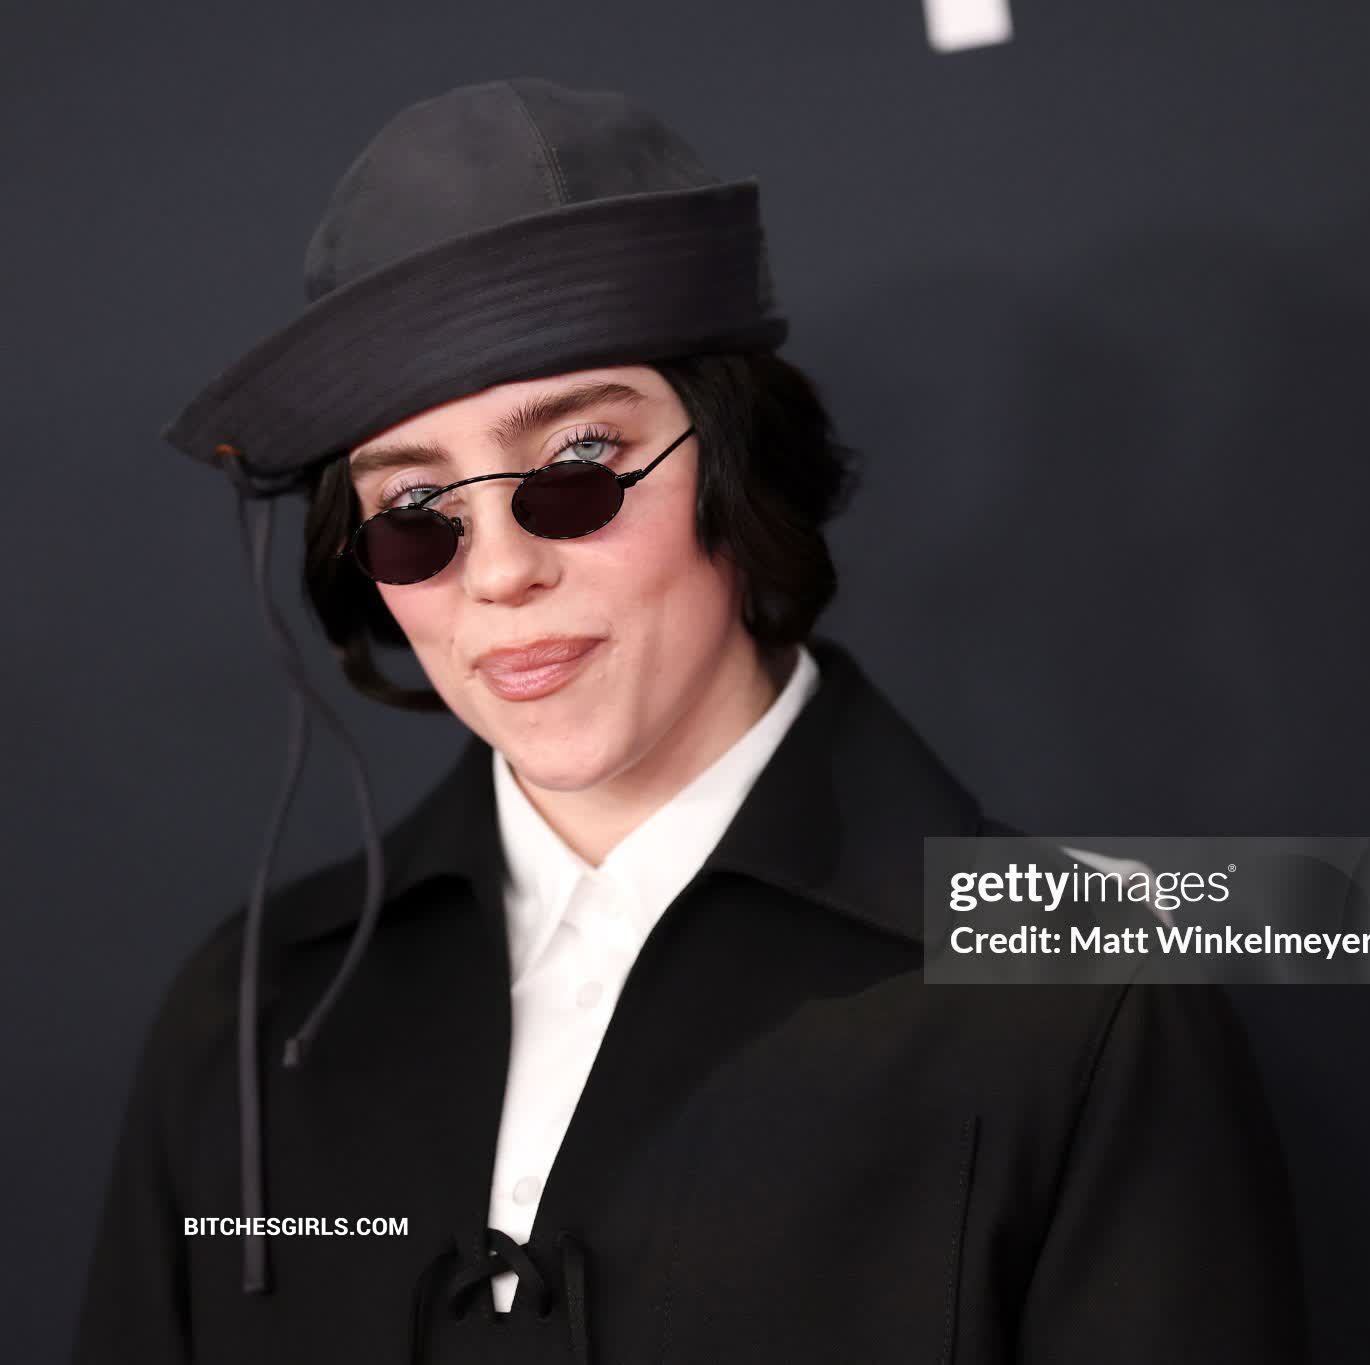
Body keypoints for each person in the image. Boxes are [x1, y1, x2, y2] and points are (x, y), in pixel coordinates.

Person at [71, 78, 1307, 1363]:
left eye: (578, 467)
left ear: (738, 463)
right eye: (415, 513)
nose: (501, 572)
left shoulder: (1077, 998)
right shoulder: (254, 1010)